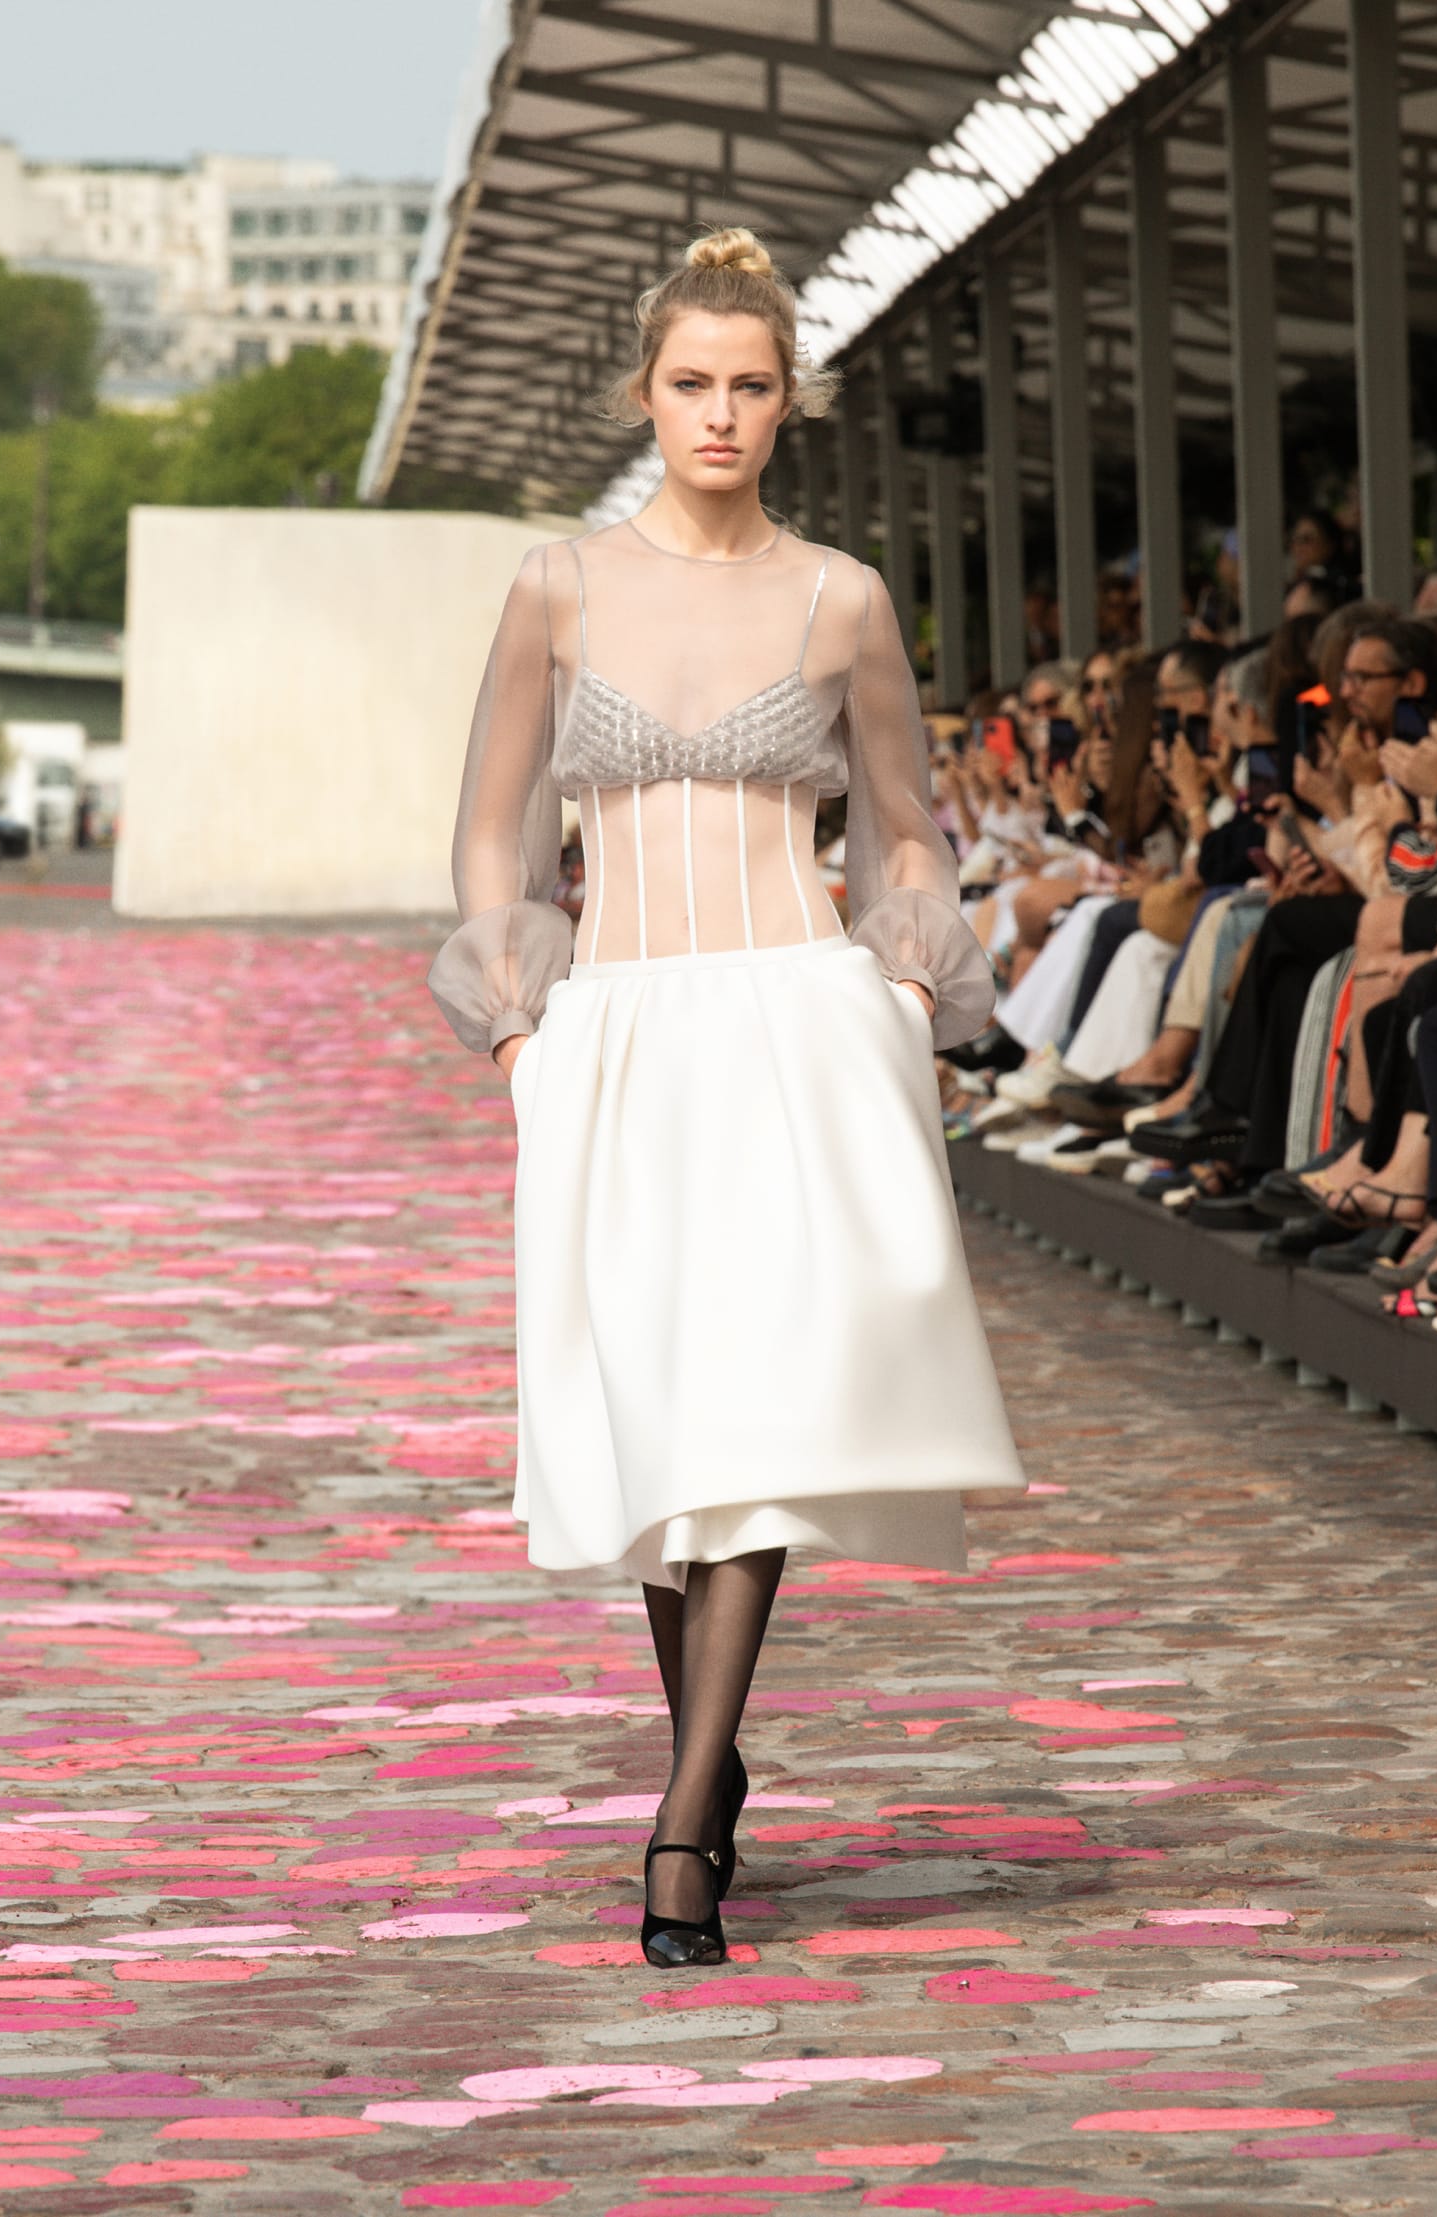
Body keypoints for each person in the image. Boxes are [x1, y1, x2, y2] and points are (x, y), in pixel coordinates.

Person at [425, 227, 1026, 1971]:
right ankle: (711, 1740)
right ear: (646, 392)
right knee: (652, 1409)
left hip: (794, 1027)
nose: (719, 412)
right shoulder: (558, 585)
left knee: (752, 1415)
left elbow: (907, 821)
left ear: (790, 401)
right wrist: (520, 1028)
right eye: (691, 382)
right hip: (613, 1036)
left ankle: (684, 1820)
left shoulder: (842, 597)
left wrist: (899, 988)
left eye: (751, 385)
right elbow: (491, 821)